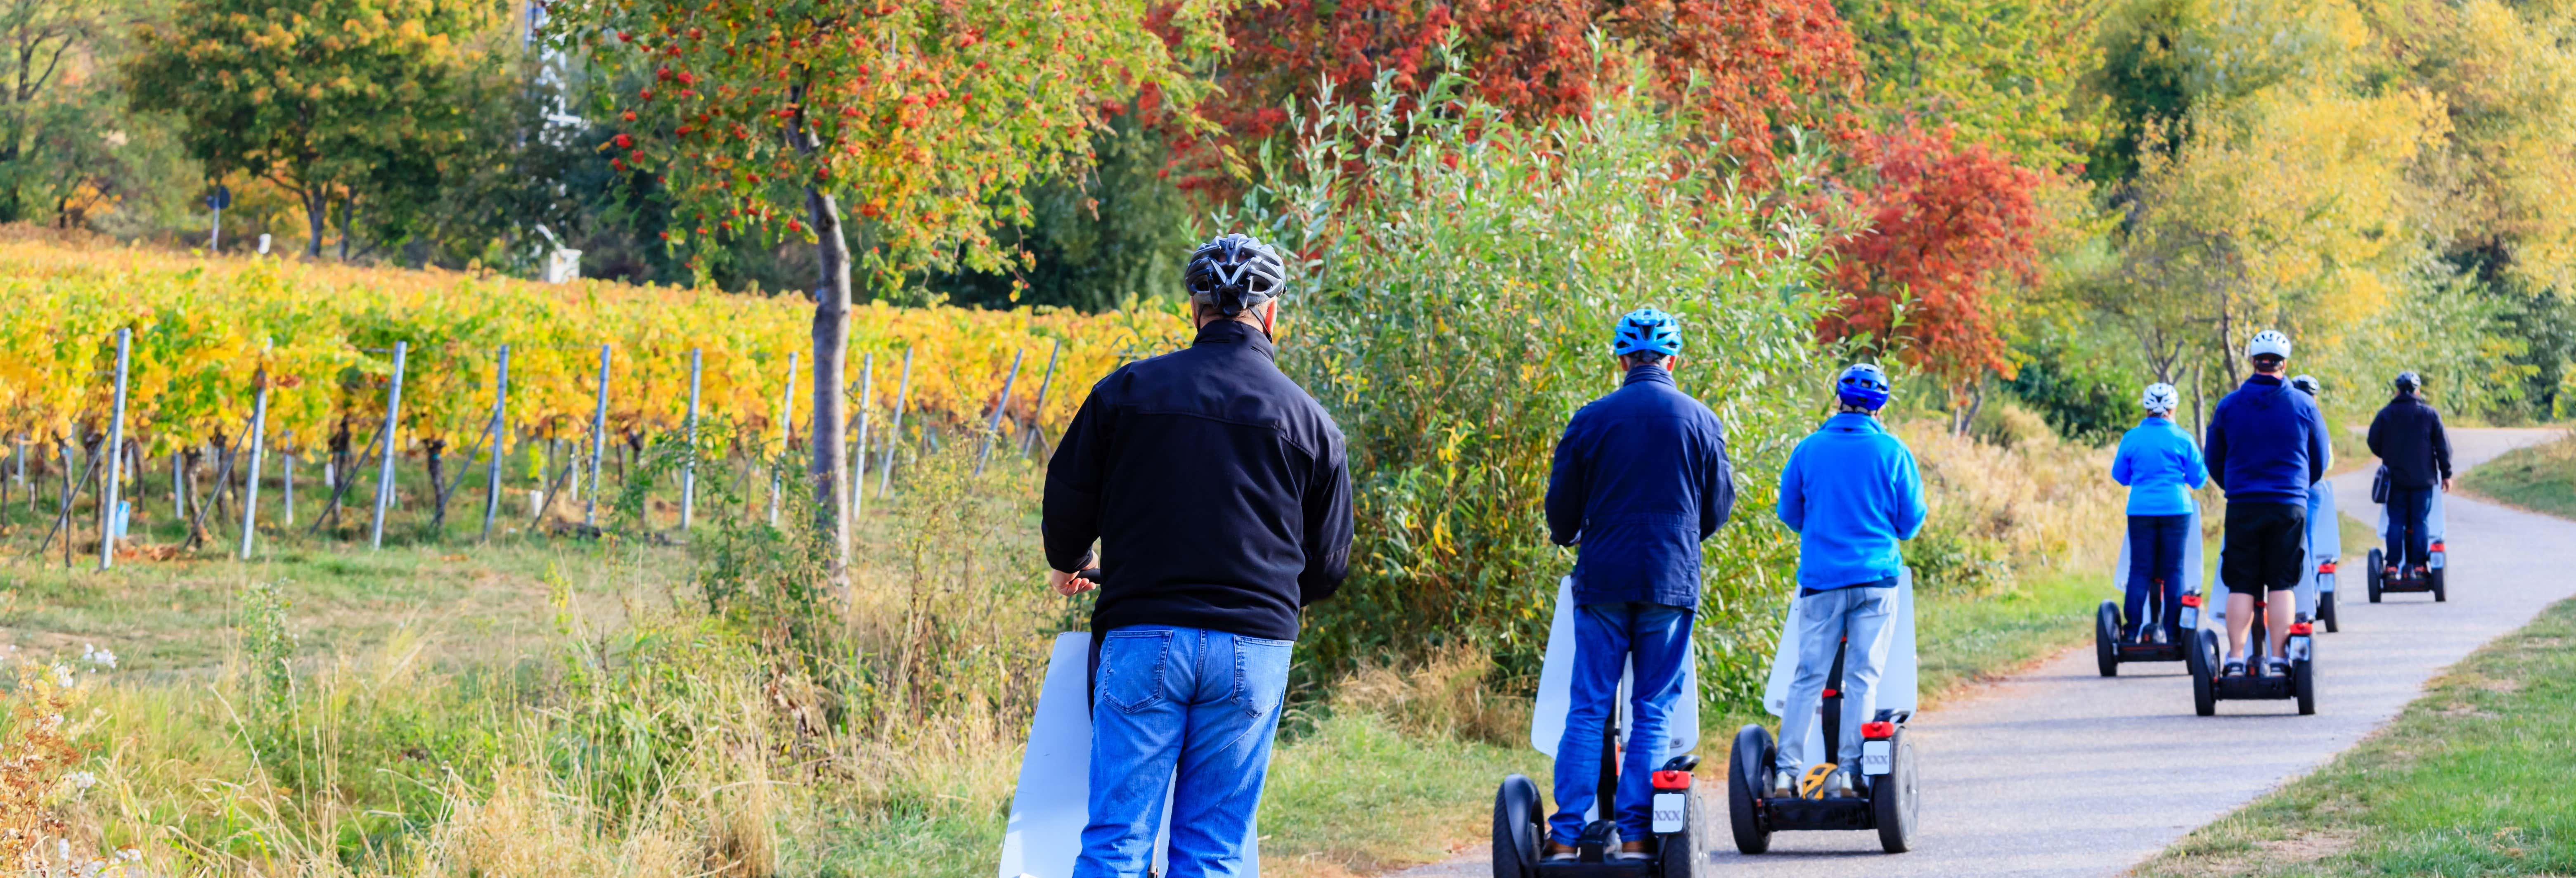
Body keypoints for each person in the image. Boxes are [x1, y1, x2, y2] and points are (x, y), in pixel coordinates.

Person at [1043, 232, 1354, 878]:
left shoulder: (1125, 392)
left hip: (1144, 633)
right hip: (1255, 646)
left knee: (1117, 841)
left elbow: (1069, 491)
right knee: (1214, 847)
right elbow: (1326, 567)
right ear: (1272, 314)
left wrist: (1072, 557)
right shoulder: (1312, 422)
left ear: (1195, 308)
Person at [1541, 308, 1737, 859]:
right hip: (1669, 580)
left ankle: (1564, 837)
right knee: (1651, 707)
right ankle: (1634, 835)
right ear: (1672, 360)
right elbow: (1718, 506)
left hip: (1602, 578)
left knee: (1589, 707)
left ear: (1622, 359)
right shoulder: (1700, 419)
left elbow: (1561, 510)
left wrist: (1571, 533)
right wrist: (1683, 536)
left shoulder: (1590, 418)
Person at [1771, 363, 1926, 799]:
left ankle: (1785, 774)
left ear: (1837, 399)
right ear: (1882, 408)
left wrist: (1825, 526)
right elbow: (1909, 524)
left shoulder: (1808, 449)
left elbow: (1790, 514)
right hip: (1877, 580)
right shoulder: (1893, 452)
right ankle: (1851, 773)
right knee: (1862, 677)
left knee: (1808, 678)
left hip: (1822, 580)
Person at [2202, 330, 2331, 677]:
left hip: (2243, 503)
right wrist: (2300, 486)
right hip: (2289, 504)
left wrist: (2234, 486)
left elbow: (2212, 458)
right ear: (2284, 364)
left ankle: (2235, 657)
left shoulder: (2229, 405)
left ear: (2254, 362)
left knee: (2241, 581)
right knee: (2281, 581)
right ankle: (2277, 658)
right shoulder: (2304, 405)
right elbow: (2321, 458)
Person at [2110, 382, 2207, 644]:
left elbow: (2119, 475)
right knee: (2174, 570)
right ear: (2173, 408)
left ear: (2146, 409)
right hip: (2177, 509)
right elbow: (2199, 480)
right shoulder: (2183, 438)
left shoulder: (2131, 438)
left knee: (2140, 570)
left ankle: (2132, 632)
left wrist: (2142, 479)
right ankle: (2174, 632)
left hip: (2140, 509)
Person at [2366, 371, 2452, 582]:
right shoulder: (2430, 414)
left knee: (2396, 521)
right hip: (2424, 480)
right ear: (2418, 391)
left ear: (2397, 391)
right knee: (2420, 521)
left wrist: (2387, 455)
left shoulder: (2386, 414)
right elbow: (2443, 447)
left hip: (2395, 479)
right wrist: (2446, 474)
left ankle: (2393, 566)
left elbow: (2373, 441)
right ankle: (2421, 566)